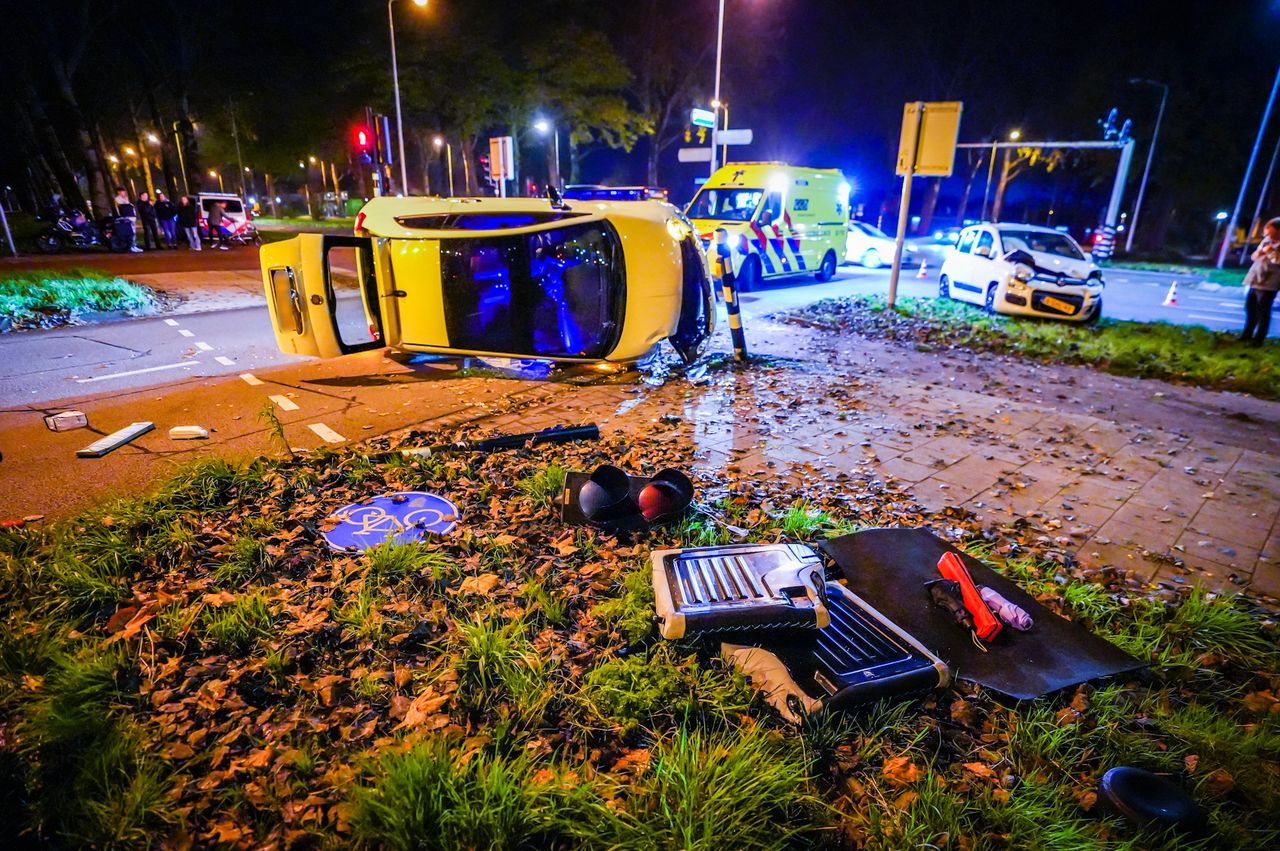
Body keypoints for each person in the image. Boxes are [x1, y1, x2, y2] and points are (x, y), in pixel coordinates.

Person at [1241, 216, 1280, 347]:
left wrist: (1271, 252)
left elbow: (1277, 260)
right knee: (1250, 308)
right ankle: (1246, 334)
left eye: (1270, 230)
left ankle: (1258, 340)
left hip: (1269, 283)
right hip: (1255, 279)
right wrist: (1261, 251)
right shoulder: (1266, 241)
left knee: (1263, 311)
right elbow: (1254, 256)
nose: (1267, 233)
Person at [113, 187, 142, 253]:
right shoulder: (117, 199)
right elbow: (123, 207)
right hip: (126, 218)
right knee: (130, 232)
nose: (123, 193)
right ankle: (131, 246)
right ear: (118, 192)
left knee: (134, 232)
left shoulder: (126, 198)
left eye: (124, 192)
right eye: (122, 192)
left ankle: (134, 245)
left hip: (131, 217)